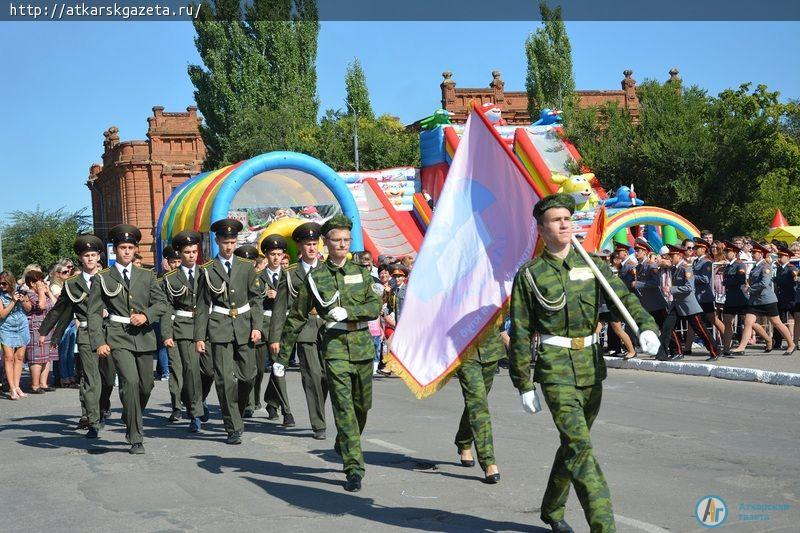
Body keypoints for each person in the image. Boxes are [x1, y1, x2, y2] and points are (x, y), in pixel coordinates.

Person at [508, 193, 661, 533]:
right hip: (555, 370)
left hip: (591, 367)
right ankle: (603, 526)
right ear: (541, 229)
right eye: (556, 219)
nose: (565, 224)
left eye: (568, 218)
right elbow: (520, 332)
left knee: (574, 445)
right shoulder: (530, 275)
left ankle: (551, 508)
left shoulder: (593, 266)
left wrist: (646, 327)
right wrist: (523, 383)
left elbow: (624, 299)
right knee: (580, 446)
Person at [274, 214, 381, 492]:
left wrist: (351, 311)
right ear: (326, 242)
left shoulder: (362, 271)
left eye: (346, 239)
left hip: (362, 346)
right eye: (337, 240)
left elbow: (374, 306)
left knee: (362, 407)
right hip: (334, 349)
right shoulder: (316, 278)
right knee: (343, 407)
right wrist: (282, 358)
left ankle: (343, 441)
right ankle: (354, 468)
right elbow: (297, 317)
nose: (343, 244)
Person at [88, 224, 168, 454]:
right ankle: (135, 437)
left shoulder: (147, 275)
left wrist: (146, 315)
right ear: (115, 250)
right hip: (117, 336)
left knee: (146, 385)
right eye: (122, 247)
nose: (126, 251)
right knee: (130, 382)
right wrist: (99, 342)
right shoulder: (103, 277)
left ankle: (130, 412)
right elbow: (94, 313)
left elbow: (161, 303)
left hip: (143, 336)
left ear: (135, 250)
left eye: (130, 247)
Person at [194, 218, 263, 445]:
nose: (229, 246)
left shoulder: (246, 267)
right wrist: (199, 337)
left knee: (248, 377)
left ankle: (239, 410)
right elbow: (203, 305)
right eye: (225, 242)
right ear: (217, 241)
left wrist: (257, 327)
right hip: (219, 327)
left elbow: (256, 301)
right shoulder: (207, 270)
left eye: (232, 242)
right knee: (224, 380)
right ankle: (232, 425)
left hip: (244, 326)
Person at [40, 234, 109, 437]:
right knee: (91, 378)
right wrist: (46, 332)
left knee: (107, 378)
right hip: (87, 333)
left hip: (110, 332)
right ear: (81, 258)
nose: (90, 259)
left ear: (99, 256)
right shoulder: (72, 284)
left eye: (93, 254)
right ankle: (92, 420)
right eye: (86, 255)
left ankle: (100, 408)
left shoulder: (110, 278)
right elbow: (61, 310)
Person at [270, 222, 328, 440]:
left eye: (315, 243)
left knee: (325, 378)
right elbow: (279, 308)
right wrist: (275, 338)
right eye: (307, 244)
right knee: (312, 376)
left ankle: (274, 399)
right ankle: (318, 423)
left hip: (327, 329)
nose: (312, 248)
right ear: (299, 247)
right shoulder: (290, 274)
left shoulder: (328, 270)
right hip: (303, 330)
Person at [161, 230, 207, 433]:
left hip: (207, 327)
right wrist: (167, 334)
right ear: (180, 254)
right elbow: (166, 308)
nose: (191, 255)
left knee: (211, 370)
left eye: (194, 251)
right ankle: (195, 413)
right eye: (187, 252)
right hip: (183, 328)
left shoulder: (207, 272)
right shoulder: (171, 278)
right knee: (190, 370)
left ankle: (198, 399)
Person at [253, 234, 295, 426]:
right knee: (269, 367)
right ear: (267, 256)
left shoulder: (289, 276)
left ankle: (273, 403)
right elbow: (251, 302)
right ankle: (286, 410)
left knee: (280, 366)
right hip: (265, 325)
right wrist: (265, 295)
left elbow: (296, 299)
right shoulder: (258, 278)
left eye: (279, 254)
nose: (276, 258)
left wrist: (280, 296)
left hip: (284, 325)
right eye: (272, 254)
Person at [455, 325, 505, 484]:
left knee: (475, 404)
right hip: (465, 351)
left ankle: (463, 441)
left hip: (491, 350)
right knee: (478, 405)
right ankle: (488, 462)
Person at [731, 241, 796, 355]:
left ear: (761, 254)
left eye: (755, 252)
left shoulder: (765, 267)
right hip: (755, 300)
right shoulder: (755, 267)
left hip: (767, 300)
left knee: (777, 323)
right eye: (752, 252)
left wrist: (750, 288)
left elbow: (764, 283)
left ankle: (791, 344)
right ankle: (742, 347)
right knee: (748, 322)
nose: (752, 254)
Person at [660, 245, 722, 361]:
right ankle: (678, 352)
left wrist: (671, 289)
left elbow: (689, 287)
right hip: (677, 304)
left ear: (678, 256)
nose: (670, 258)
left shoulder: (686, 268)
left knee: (700, 329)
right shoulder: (675, 268)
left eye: (672, 256)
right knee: (668, 327)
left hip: (688, 305)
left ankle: (715, 351)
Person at [1, 270, 32, 400]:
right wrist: (13, 301)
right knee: (9, 357)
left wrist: (23, 300)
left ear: (10, 283)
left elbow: (29, 308)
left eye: (4, 284)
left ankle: (17, 386)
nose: (1, 286)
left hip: (21, 326)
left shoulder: (20, 291)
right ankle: (12, 388)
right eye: (0, 283)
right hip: (6, 328)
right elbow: (1, 315)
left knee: (19, 357)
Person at [25, 270, 58, 393]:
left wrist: (48, 291)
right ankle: (35, 385)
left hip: (48, 326)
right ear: (32, 283)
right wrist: (40, 292)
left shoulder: (44, 293)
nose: (42, 282)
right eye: (39, 280)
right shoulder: (29, 294)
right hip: (36, 327)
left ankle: (43, 383)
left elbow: (55, 305)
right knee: (37, 357)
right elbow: (42, 306)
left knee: (47, 356)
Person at [772, 243, 797, 351]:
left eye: (781, 256)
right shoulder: (778, 268)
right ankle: (777, 342)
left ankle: (795, 341)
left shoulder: (791, 268)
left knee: (797, 319)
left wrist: (777, 280)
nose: (779, 258)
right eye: (779, 256)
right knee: (778, 321)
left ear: (787, 257)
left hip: (790, 298)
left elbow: (790, 281)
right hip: (781, 298)